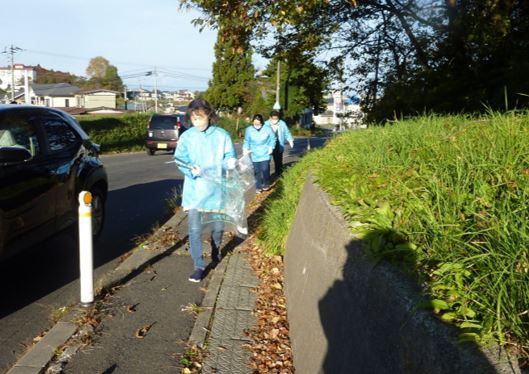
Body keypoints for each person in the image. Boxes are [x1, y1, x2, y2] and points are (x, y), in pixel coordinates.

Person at [174, 98, 237, 283]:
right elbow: (179, 159)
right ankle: (199, 265)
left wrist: (230, 163)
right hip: (195, 191)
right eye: (194, 119)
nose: (198, 122)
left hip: (216, 190)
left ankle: (216, 250)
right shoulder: (187, 137)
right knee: (194, 230)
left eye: (200, 118)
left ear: (209, 115)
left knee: (217, 228)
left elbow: (229, 156)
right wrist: (190, 169)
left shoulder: (222, 135)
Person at [242, 114, 276, 193]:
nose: (256, 124)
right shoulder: (249, 130)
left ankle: (266, 183)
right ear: (252, 121)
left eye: (258, 122)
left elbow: (273, 138)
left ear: (261, 122)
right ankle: (258, 186)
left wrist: (271, 147)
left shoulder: (267, 129)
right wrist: (245, 148)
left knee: (265, 169)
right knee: (257, 171)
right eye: (254, 122)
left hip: (265, 152)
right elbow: (247, 140)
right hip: (255, 153)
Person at [264, 110, 294, 176]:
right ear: (270, 117)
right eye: (273, 119)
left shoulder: (282, 123)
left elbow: (287, 132)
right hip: (268, 145)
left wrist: (290, 140)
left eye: (276, 119)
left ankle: (279, 174)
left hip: (278, 144)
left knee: (278, 161)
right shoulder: (265, 124)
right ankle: (267, 176)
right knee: (266, 161)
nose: (275, 120)